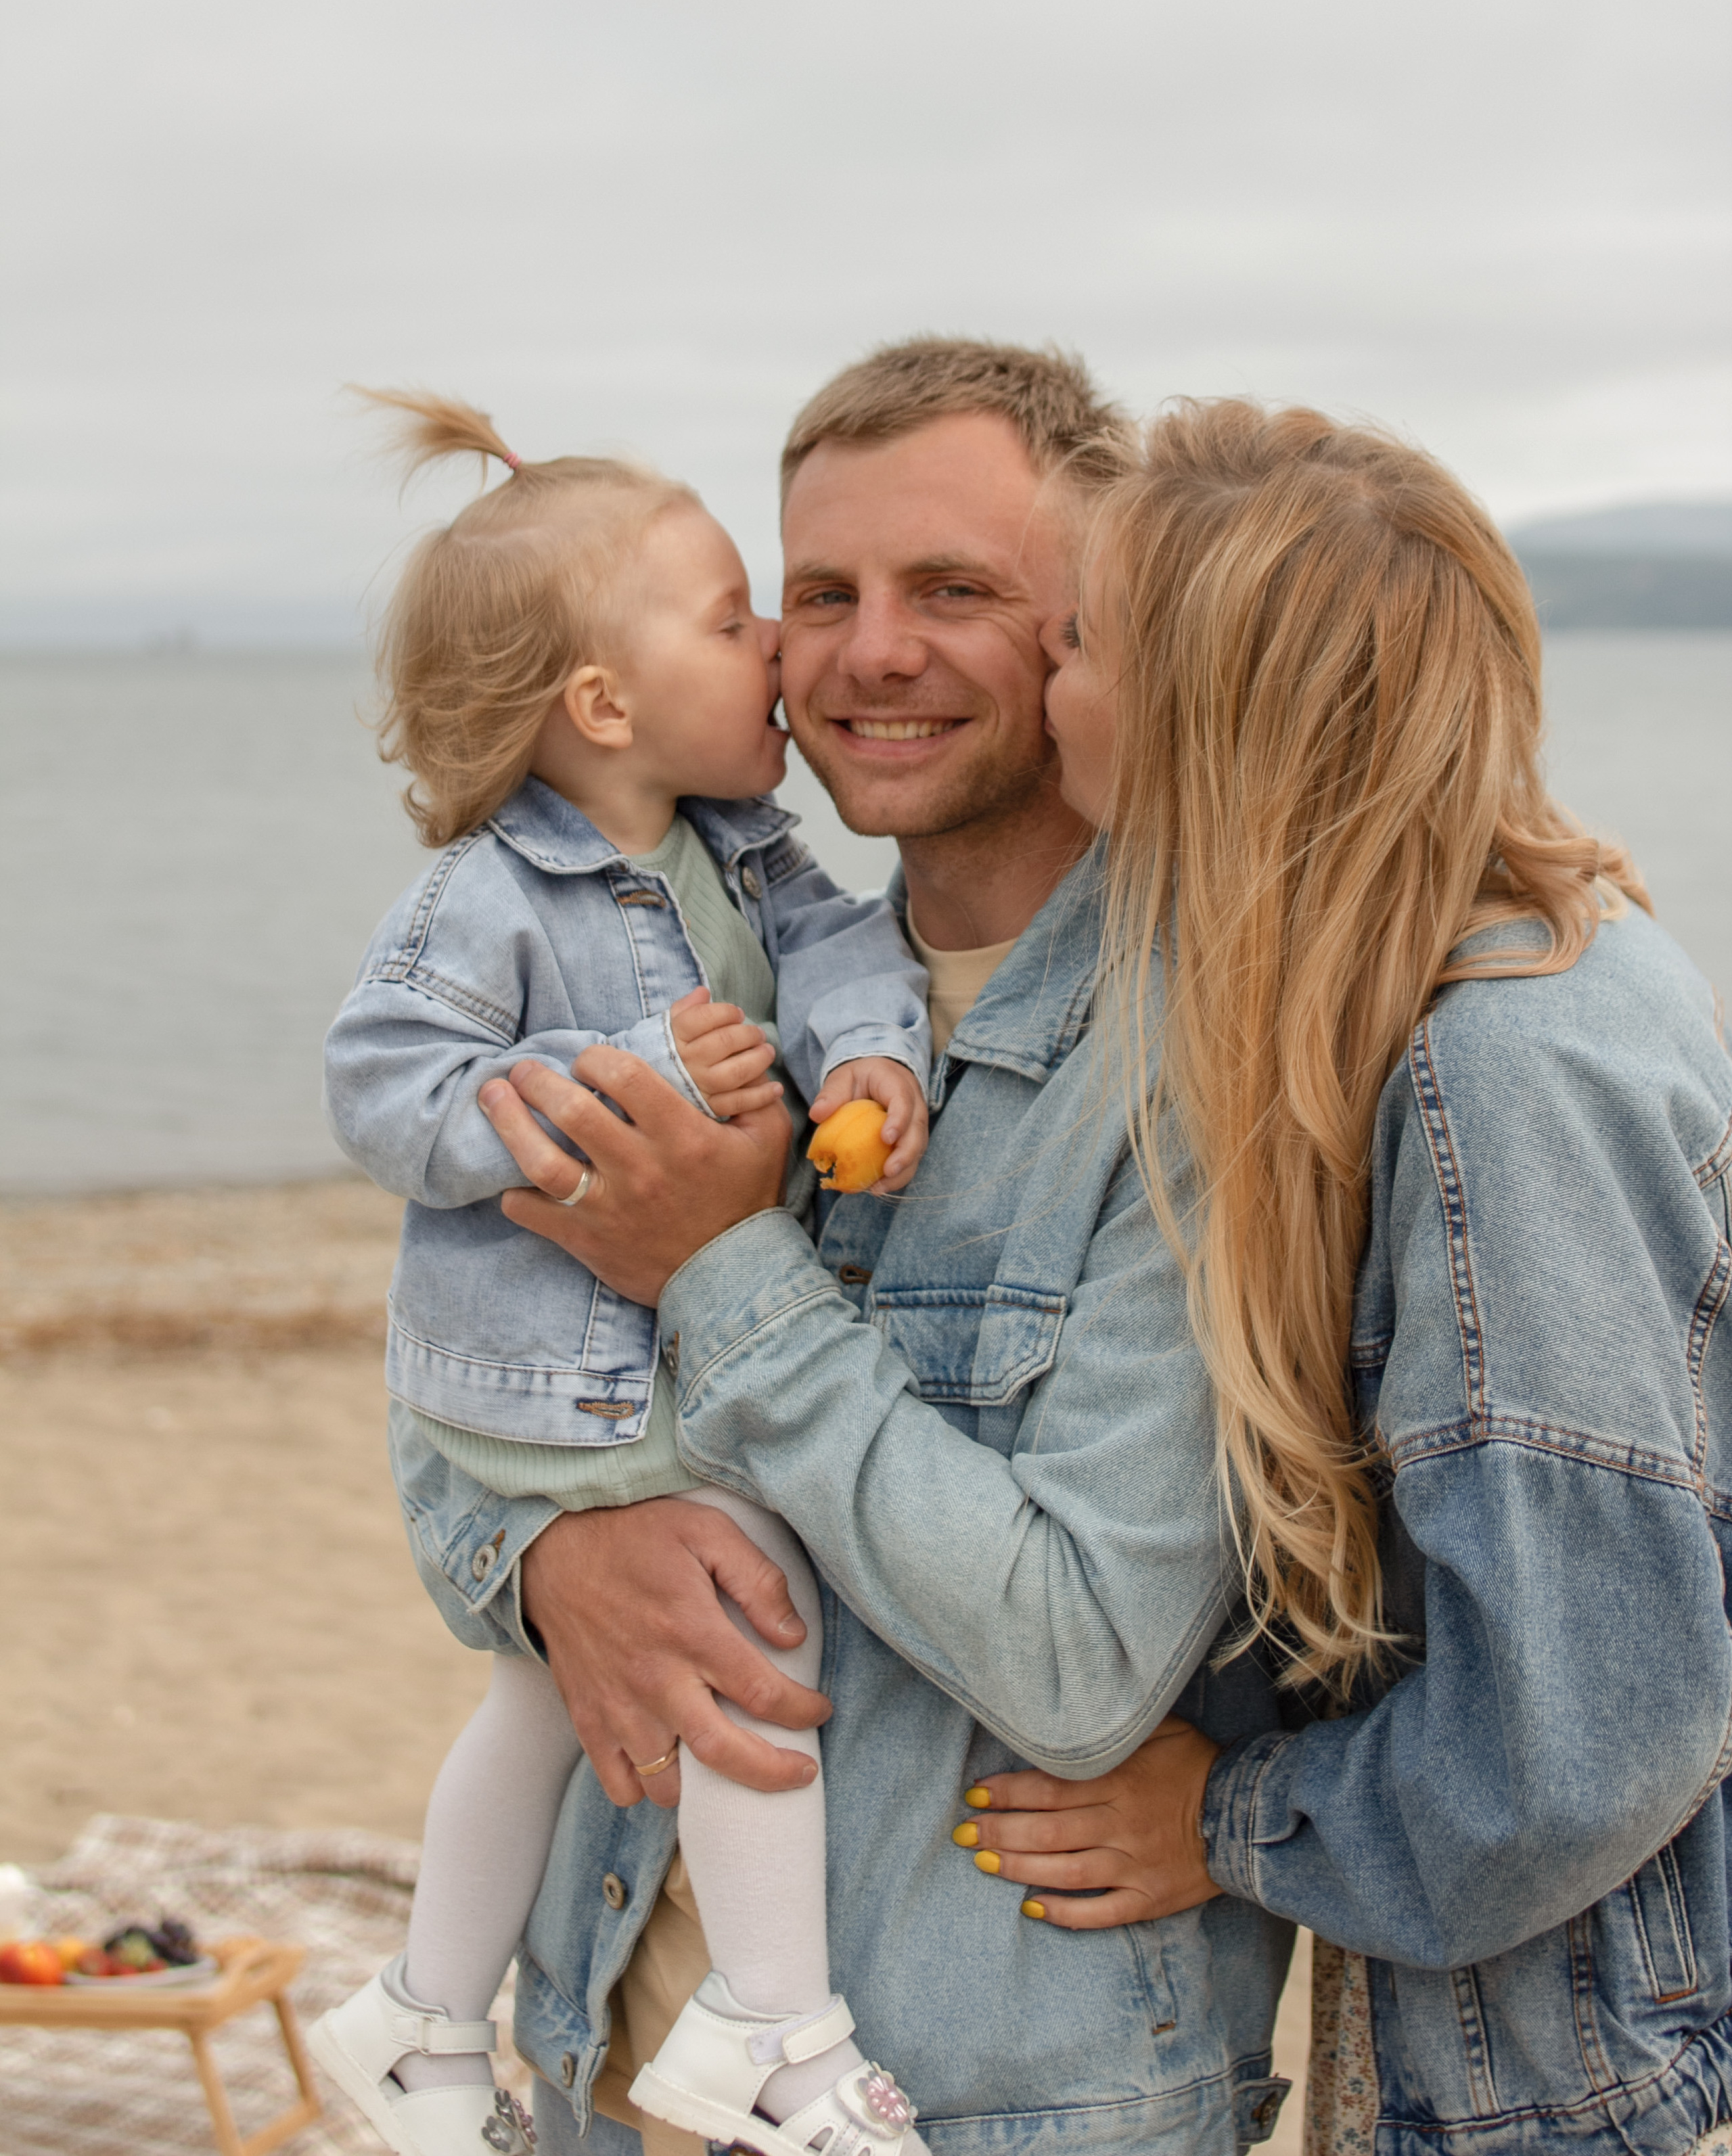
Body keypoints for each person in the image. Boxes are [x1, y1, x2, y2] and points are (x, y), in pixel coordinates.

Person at [409, 338, 1300, 2156]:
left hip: (987, 2108)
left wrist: (721, 1268)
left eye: (954, 591)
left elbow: (1080, 1664)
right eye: (818, 595)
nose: (868, 654)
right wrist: (549, 1561)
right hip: (597, 2063)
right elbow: (458, 1386)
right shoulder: (715, 980)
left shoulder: (1207, 1062)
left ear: (1087, 638)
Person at [976, 398, 1732, 2156]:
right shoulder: (1521, 966)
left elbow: (1579, 1745)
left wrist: (1228, 1820)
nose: (1038, 670)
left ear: (1204, 719)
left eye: (1079, 640)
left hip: (1570, 2088)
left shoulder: (1506, 1080)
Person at [311, 391, 934, 2156]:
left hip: (655, 1359)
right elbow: (382, 1087)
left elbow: (843, 953)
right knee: (746, 1620)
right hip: (552, 1374)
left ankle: (423, 2017)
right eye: (734, 622)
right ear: (604, 704)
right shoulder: (491, 895)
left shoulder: (743, 850)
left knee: (538, 1701)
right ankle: (774, 2024)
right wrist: (618, 1092)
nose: (779, 651)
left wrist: (870, 1059)